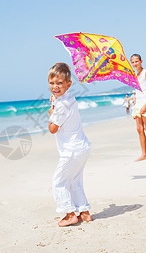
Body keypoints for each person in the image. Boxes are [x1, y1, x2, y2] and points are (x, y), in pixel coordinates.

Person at [48, 62, 92, 227]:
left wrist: (51, 113)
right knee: (74, 180)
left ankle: (69, 214)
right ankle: (84, 212)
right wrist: (56, 102)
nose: (55, 86)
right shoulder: (69, 98)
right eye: (52, 83)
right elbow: (61, 103)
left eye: (60, 83)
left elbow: (53, 129)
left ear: (68, 84)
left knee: (59, 181)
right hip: (82, 147)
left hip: (71, 150)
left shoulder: (61, 106)